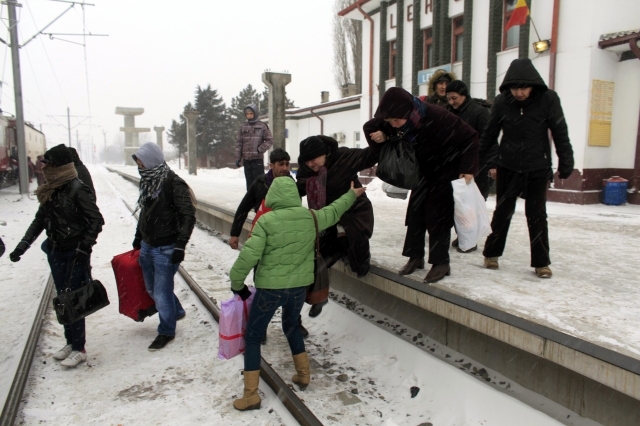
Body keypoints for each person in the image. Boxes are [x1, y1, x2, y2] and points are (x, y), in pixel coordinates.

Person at [229, 177, 365, 411]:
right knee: (291, 327)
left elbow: (248, 255)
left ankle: (251, 394)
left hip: (270, 290)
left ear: (272, 196)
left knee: (252, 336)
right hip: (297, 289)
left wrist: (237, 283)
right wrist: (352, 194)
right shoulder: (311, 217)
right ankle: (303, 375)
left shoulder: (265, 221)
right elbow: (334, 211)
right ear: (294, 195)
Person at [364, 87, 479, 283]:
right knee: (416, 213)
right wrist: (384, 137)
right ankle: (415, 257)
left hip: (445, 168)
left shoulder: (438, 116)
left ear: (409, 113)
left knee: (438, 216)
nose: (393, 125)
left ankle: (441, 262)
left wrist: (468, 169)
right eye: (389, 122)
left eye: (396, 121)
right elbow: (370, 128)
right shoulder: (391, 119)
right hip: (421, 169)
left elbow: (470, 137)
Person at [9, 144, 104, 368]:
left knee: (74, 299)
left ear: (59, 165)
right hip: (56, 251)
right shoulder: (52, 190)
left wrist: (84, 247)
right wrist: (22, 246)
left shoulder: (76, 188)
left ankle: (79, 348)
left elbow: (96, 220)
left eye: (49, 164)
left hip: (74, 253)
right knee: (62, 297)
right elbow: (40, 221)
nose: (45, 169)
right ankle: (70, 342)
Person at [479, 58, 574, 278]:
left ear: (533, 85)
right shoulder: (503, 102)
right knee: (503, 212)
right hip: (508, 165)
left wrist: (566, 160)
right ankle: (491, 254)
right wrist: (482, 160)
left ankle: (541, 263)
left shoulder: (548, 99)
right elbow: (490, 134)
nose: (519, 93)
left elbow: (560, 131)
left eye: (523, 88)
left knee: (537, 214)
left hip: (538, 166)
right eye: (514, 88)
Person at [229, 148, 309, 340]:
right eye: (280, 164)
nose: (284, 168)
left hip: (288, 241)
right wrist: (234, 233)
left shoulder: (292, 184)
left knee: (291, 282)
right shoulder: (260, 184)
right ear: (271, 165)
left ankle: (294, 323)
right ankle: (260, 325)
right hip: (263, 239)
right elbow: (243, 207)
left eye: (287, 164)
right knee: (263, 281)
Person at [295, 135, 379, 316]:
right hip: (328, 221)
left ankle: (355, 257)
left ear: (324, 153)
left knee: (360, 266)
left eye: (314, 159)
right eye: (306, 161)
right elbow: (296, 189)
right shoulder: (306, 170)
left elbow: (371, 155)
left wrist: (382, 135)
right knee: (318, 259)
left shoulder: (343, 158)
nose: (311, 164)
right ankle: (319, 297)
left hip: (353, 214)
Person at [131, 142, 196, 351]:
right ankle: (175, 311)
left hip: (166, 248)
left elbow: (188, 216)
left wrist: (180, 246)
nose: (139, 166)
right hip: (148, 245)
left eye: (141, 161)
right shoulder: (148, 182)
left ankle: (166, 331)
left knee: (161, 293)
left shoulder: (173, 183)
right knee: (152, 288)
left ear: (150, 160)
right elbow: (145, 213)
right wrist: (138, 237)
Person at [446, 80, 492, 253]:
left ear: (464, 95)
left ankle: (469, 238)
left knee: (469, 205)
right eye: (449, 99)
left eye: (455, 98)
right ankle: (463, 235)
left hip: (476, 166)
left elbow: (488, 140)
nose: (452, 102)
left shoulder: (479, 113)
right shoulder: (448, 112)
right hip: (454, 165)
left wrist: (491, 164)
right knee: (458, 202)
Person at [235, 104, 273, 190]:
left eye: (251, 113)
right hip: (247, 160)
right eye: (247, 114)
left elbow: (269, 140)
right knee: (249, 183)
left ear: (255, 113)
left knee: (259, 182)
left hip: (257, 160)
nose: (249, 115)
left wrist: (260, 149)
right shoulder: (243, 127)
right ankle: (250, 201)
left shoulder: (262, 126)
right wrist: (238, 157)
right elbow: (239, 143)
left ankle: (260, 200)